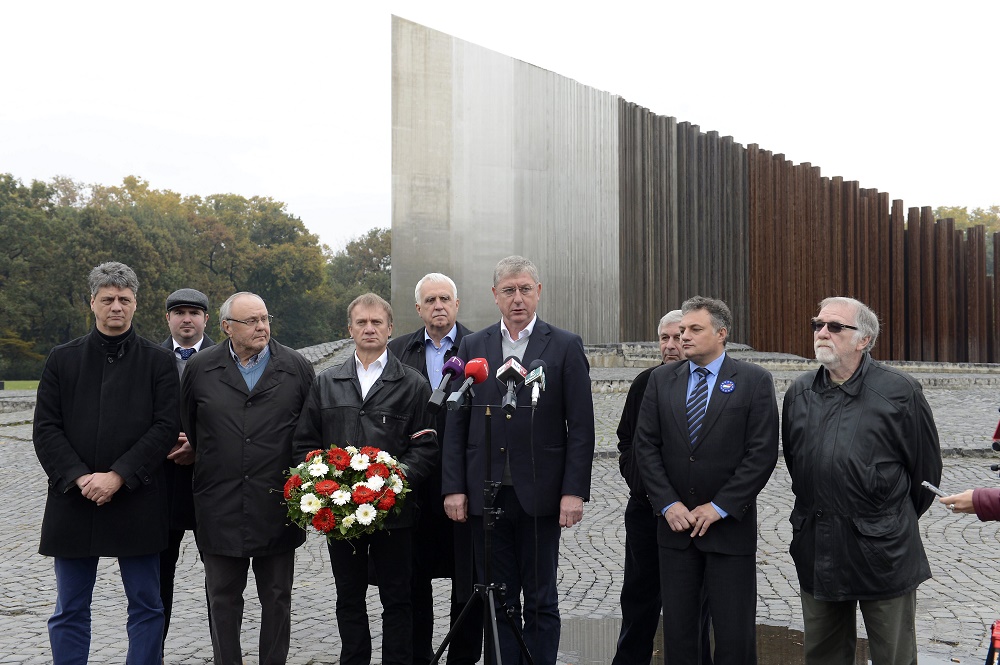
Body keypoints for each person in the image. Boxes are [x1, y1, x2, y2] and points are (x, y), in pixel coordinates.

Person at [442, 255, 596, 665]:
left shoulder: (564, 345)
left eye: (525, 289)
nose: (517, 298)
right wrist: (454, 487)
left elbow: (581, 427)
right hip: (485, 495)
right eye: (508, 290)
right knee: (497, 598)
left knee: (541, 598)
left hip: (541, 496)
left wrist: (573, 492)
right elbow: (456, 424)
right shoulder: (474, 346)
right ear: (495, 295)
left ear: (538, 292)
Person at [782, 296, 942, 665]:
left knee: (893, 656)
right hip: (818, 547)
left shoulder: (900, 391)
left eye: (835, 326)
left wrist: (884, 521)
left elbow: (925, 474)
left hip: (883, 552)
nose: (822, 332)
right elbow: (798, 465)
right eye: (818, 324)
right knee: (823, 655)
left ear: (864, 340)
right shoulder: (800, 392)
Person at [33, 261, 179, 664]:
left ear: (136, 304)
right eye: (108, 299)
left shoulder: (158, 361)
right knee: (70, 608)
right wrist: (81, 478)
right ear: (92, 303)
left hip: (137, 497)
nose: (117, 307)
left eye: (124, 299)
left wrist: (118, 475)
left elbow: (165, 427)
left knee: (147, 605)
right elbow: (46, 428)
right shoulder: (62, 359)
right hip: (74, 499)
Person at [293, 292, 438, 665]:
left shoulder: (413, 384)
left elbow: (425, 447)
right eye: (362, 322)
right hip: (340, 514)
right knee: (349, 597)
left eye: (377, 322)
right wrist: (321, 488)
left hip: (395, 513)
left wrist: (392, 482)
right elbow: (305, 444)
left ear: (390, 329)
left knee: (398, 598)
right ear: (350, 329)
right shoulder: (326, 382)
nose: (369, 328)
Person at [634, 295, 778, 665]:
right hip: (676, 531)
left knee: (734, 637)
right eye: (682, 329)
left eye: (694, 329)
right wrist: (668, 504)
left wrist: (720, 507)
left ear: (721, 333)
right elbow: (645, 447)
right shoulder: (660, 380)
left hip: (729, 530)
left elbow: (761, 454)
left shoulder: (754, 381)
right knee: (680, 637)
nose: (683, 337)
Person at [181, 291, 314, 665]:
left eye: (265, 318)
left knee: (277, 596)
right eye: (251, 320)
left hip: (278, 503)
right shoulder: (200, 368)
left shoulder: (296, 367)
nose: (261, 326)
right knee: (222, 598)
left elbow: (309, 430)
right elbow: (191, 426)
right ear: (227, 327)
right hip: (219, 503)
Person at [386, 273, 482, 665]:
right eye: (430, 300)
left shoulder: (479, 347)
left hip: (464, 484)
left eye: (445, 298)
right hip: (414, 486)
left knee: (468, 579)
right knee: (413, 579)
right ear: (418, 308)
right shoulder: (397, 351)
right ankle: (418, 656)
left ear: (457, 304)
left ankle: (462, 658)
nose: (438, 305)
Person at [614, 310, 712, 665]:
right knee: (638, 599)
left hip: (693, 516)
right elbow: (626, 439)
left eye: (677, 337)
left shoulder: (708, 386)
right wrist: (638, 480)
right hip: (645, 511)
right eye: (664, 338)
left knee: (692, 605)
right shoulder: (645, 382)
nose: (671, 345)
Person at [159, 288, 215, 653]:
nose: (187, 319)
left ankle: (224, 653)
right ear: (168, 318)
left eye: (194, 312)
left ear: (206, 319)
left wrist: (200, 445)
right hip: (163, 484)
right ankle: (154, 652)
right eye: (179, 312)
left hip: (211, 481)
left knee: (221, 579)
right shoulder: (151, 358)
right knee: (158, 576)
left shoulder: (225, 358)